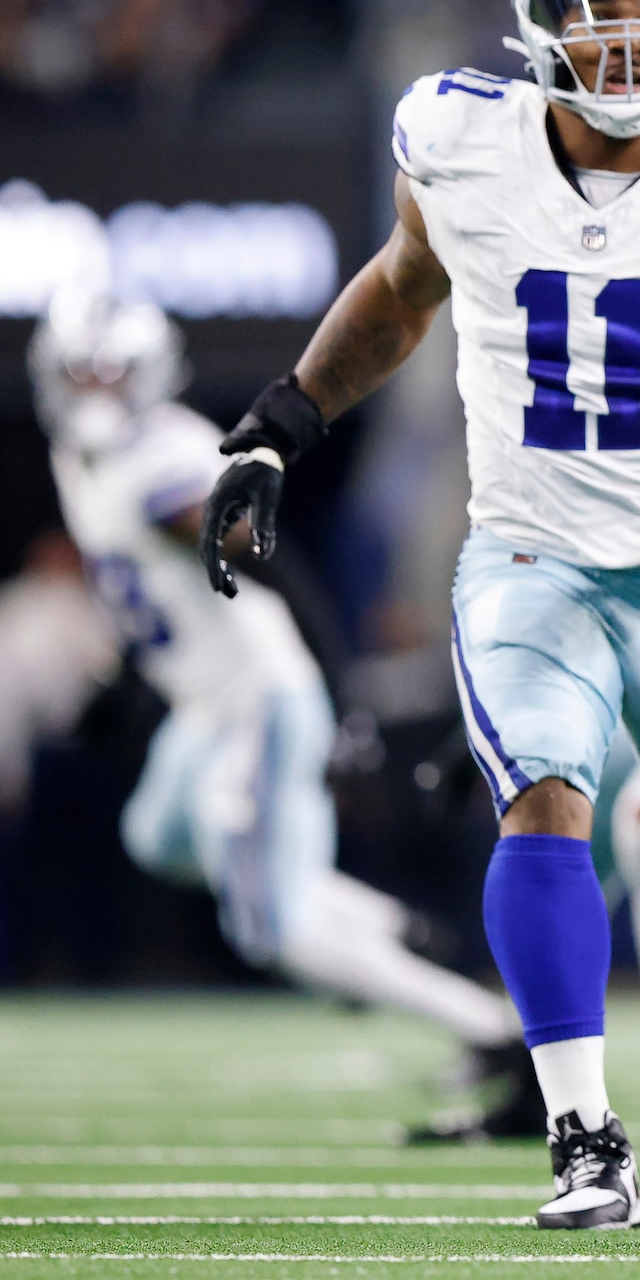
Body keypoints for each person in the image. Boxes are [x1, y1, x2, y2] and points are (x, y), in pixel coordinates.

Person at [196, 0, 640, 1230]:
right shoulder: (459, 141)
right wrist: (281, 421)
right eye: (595, 12)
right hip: (530, 564)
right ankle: (584, 1134)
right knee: (543, 798)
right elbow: (398, 291)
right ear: (536, 25)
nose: (626, 44)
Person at [30, 286, 523, 1077]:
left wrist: (339, 695)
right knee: (159, 834)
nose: (94, 395)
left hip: (260, 702)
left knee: (273, 929)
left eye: (109, 376)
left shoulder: (163, 461)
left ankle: (492, 1031)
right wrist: (121, 683)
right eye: (79, 376)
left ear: (148, 376)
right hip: (206, 708)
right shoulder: (80, 457)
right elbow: (155, 595)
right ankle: (385, 924)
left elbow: (271, 570)